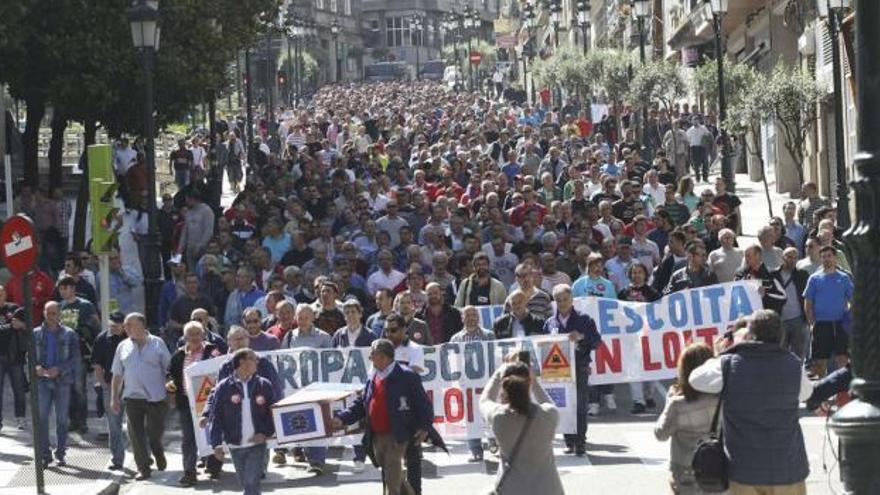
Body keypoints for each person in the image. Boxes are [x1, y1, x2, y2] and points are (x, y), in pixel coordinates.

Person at [689, 310, 812, 494]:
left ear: (750, 334)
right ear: (780, 335)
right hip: (787, 466)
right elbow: (806, 394)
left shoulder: (729, 364)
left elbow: (695, 379)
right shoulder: (793, 365)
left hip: (743, 469)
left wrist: (720, 355)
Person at [331, 339, 439, 495]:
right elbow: (362, 403)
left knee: (392, 479)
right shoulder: (374, 376)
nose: (370, 358)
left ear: (383, 357)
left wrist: (425, 426)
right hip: (377, 436)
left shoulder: (407, 376)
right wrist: (342, 418)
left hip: (397, 435)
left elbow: (424, 403)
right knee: (394, 477)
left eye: (372, 354)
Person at [479, 357, 564, 495]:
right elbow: (547, 403)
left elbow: (484, 400)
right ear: (529, 383)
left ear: (504, 385)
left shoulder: (499, 417)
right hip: (549, 489)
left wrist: (498, 373)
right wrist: (534, 381)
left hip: (512, 489)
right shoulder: (549, 415)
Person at [110, 313, 172, 480]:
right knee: (135, 435)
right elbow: (117, 374)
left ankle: (157, 450)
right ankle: (143, 468)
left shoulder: (158, 344)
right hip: (132, 398)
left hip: (156, 399)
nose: (126, 328)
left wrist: (171, 393)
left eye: (130, 324)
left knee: (154, 435)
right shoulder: (123, 346)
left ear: (142, 326)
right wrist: (114, 397)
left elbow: (170, 370)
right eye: (125, 325)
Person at [209, 348, 277, 495]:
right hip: (235, 444)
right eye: (253, 358)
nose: (257, 362)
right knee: (245, 482)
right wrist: (216, 444)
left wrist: (265, 433)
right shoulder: (224, 387)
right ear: (242, 362)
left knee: (251, 482)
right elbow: (216, 416)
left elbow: (273, 413)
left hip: (257, 444)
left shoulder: (264, 385)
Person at [653, 343, 718, 495]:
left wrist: (669, 401)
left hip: (685, 466)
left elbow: (660, 434)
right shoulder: (722, 398)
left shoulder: (678, 404)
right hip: (716, 465)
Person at [544, 284, 601, 455]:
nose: (562, 303)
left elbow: (596, 341)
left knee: (579, 406)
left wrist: (581, 337)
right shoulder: (550, 323)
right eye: (558, 300)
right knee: (562, 405)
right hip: (557, 371)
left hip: (579, 367)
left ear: (572, 299)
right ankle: (569, 441)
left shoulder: (584, 319)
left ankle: (580, 442)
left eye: (565, 299)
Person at [168, 321, 222, 487]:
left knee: (212, 434)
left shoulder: (212, 351)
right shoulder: (178, 356)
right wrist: (170, 390)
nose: (194, 337)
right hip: (186, 404)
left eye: (197, 334)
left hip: (210, 402)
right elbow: (170, 375)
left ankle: (213, 466)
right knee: (188, 438)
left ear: (203, 335)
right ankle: (189, 472)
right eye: (190, 334)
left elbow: (219, 368)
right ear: (185, 337)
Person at [279, 304, 332, 473]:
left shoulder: (324, 338)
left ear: (313, 318)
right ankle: (307, 454)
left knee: (319, 421)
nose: (302, 321)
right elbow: (281, 360)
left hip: (317, 387)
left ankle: (317, 460)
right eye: (299, 318)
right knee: (303, 420)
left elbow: (331, 362)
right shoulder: (289, 337)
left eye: (306, 318)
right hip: (295, 387)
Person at [330, 299, 377, 473]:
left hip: (363, 383)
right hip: (343, 385)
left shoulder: (370, 335)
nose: (350, 316)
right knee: (349, 419)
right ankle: (356, 454)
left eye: (353, 312)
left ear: (360, 313)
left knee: (363, 420)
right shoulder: (338, 335)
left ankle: (363, 454)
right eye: (347, 313)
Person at [34, 301, 80, 466]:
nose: (51, 316)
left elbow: (75, 359)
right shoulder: (36, 333)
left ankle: (60, 453)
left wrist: (59, 369)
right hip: (42, 381)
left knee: (61, 419)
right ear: (44, 313)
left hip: (62, 382)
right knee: (42, 418)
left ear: (59, 314)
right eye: (48, 313)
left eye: (54, 313)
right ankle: (45, 454)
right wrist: (35, 367)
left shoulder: (69, 334)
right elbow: (28, 356)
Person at [450, 306, 497, 462]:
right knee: (471, 418)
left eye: (474, 315)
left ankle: (493, 442)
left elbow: (494, 358)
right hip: (467, 385)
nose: (471, 317)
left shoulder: (489, 335)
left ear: (478, 317)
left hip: (487, 383)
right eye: (467, 315)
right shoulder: (456, 339)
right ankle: (475, 450)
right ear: (462, 318)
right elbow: (453, 361)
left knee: (489, 413)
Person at [618, 263, 665, 414]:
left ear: (645, 275)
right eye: (634, 272)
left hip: (649, 337)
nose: (637, 275)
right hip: (630, 338)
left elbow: (660, 312)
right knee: (633, 369)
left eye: (640, 272)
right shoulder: (623, 293)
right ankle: (638, 401)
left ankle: (649, 395)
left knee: (651, 369)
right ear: (630, 275)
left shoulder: (652, 293)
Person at [57, 275, 99, 434]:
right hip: (62, 355)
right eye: (60, 289)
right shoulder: (59, 306)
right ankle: (72, 420)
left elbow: (95, 326)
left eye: (65, 288)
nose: (62, 291)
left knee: (79, 388)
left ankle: (82, 421)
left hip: (79, 353)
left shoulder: (85, 305)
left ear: (73, 288)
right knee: (65, 389)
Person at [803, 246, 854, 378]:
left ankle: (842, 395)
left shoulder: (844, 278)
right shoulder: (814, 279)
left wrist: (850, 320)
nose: (826, 259)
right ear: (821, 259)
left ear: (835, 258)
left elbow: (854, 300)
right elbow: (808, 303)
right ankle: (823, 393)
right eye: (824, 256)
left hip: (840, 324)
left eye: (829, 256)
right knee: (820, 360)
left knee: (842, 358)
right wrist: (811, 321)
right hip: (821, 324)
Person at [90, 311, 129, 470]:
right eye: (112, 324)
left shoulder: (130, 338)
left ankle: (142, 459)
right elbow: (97, 364)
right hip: (110, 385)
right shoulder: (101, 339)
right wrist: (104, 386)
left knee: (135, 424)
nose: (115, 328)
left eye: (118, 325)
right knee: (114, 424)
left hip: (131, 386)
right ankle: (117, 459)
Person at [772, 248, 810, 359]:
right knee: (779, 354)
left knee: (798, 355)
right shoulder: (773, 275)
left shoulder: (802, 275)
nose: (792, 260)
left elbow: (808, 296)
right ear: (782, 258)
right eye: (789, 257)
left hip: (797, 320)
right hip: (779, 320)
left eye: (795, 257)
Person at [0, 307, 28, 431]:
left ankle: (21, 418)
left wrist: (23, 328)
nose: (14, 322)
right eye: (14, 320)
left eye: (18, 320)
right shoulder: (5, 329)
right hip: (2, 360)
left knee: (19, 391)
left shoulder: (26, 332)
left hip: (16, 362)